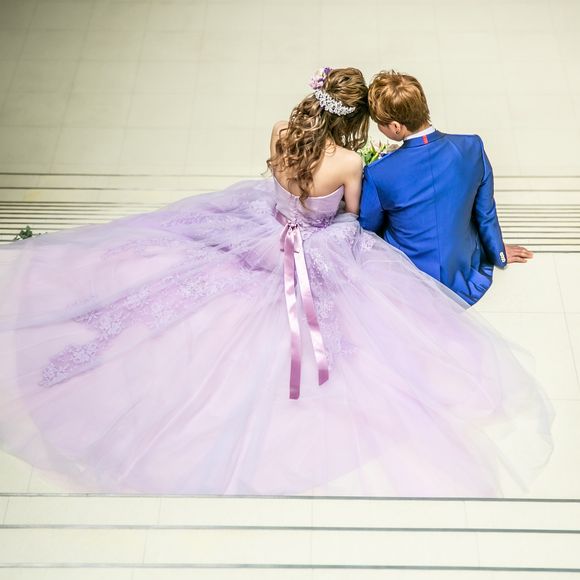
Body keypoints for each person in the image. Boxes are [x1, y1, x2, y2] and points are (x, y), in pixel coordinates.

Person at [0, 67, 552, 497]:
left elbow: (276, 175)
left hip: (266, 229)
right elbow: (352, 220)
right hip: (317, 243)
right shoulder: (350, 164)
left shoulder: (281, 132)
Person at [360, 70, 534, 306]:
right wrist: (498, 253)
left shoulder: (379, 172)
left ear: (396, 127)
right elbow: (485, 212)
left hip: (408, 279)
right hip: (462, 272)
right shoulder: (472, 146)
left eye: (380, 124)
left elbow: (367, 228)